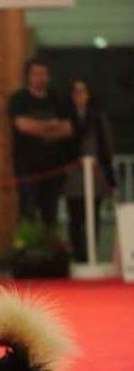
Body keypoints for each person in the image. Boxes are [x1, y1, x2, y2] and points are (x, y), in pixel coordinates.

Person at [8, 58, 73, 227]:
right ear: (28, 76)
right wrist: (50, 125)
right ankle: (25, 247)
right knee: (27, 209)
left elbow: (67, 129)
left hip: (54, 167)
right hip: (27, 167)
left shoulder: (57, 98)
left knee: (51, 211)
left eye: (43, 74)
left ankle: (51, 247)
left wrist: (41, 129)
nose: (40, 78)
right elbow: (23, 126)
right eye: (36, 74)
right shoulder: (19, 98)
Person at [63, 78, 117, 262]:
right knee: (75, 218)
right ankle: (78, 256)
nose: (79, 96)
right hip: (72, 175)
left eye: (82, 92)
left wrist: (110, 179)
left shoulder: (97, 117)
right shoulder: (65, 117)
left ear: (89, 94)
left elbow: (106, 148)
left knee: (94, 217)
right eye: (75, 92)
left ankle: (92, 255)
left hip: (95, 175)